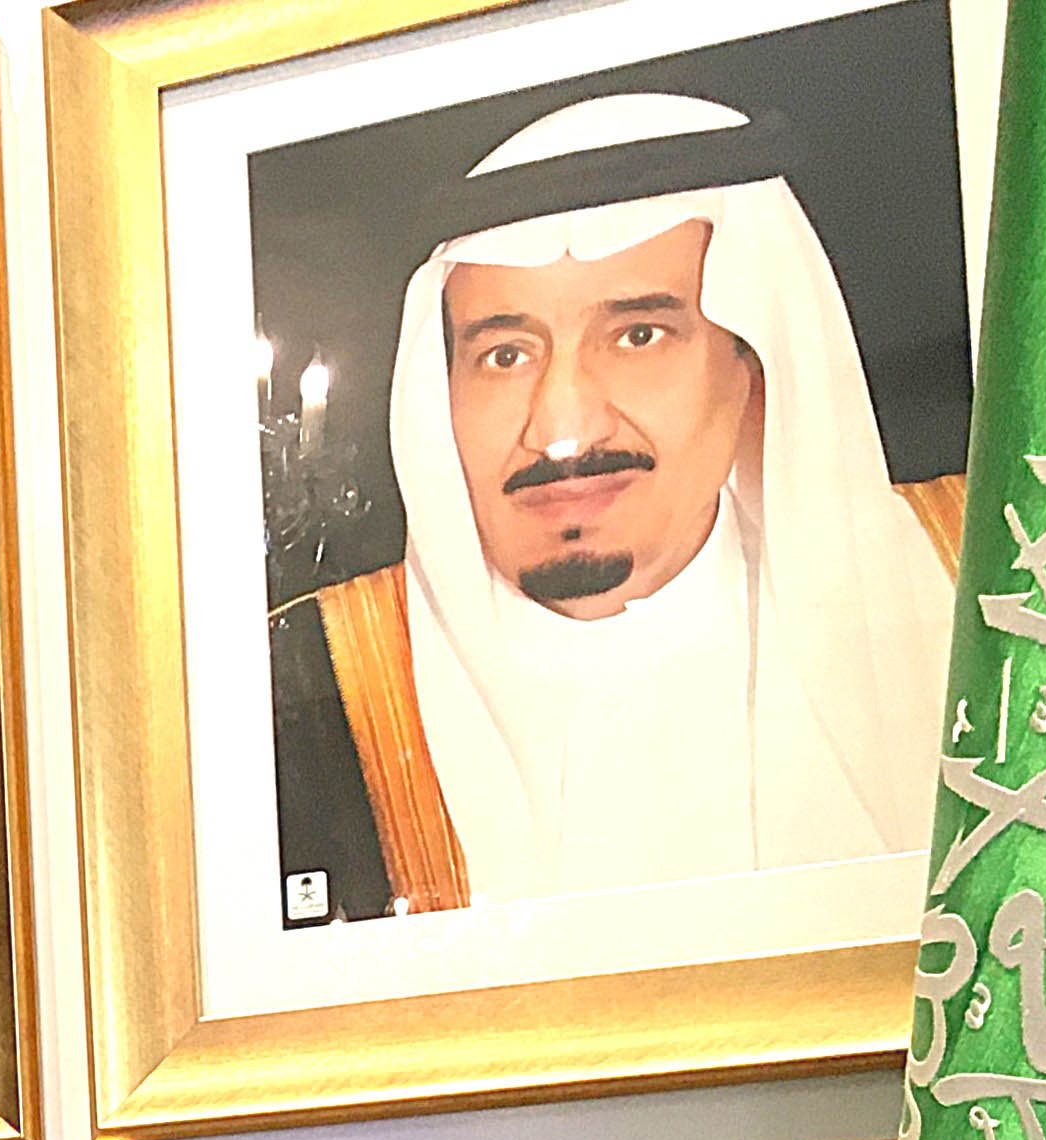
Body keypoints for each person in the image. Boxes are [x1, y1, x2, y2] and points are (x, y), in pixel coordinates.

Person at [270, 93, 959, 921]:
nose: (561, 429)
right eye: (505, 354)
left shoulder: (967, 585)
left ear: (750, 366)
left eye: (638, 336)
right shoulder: (308, 689)